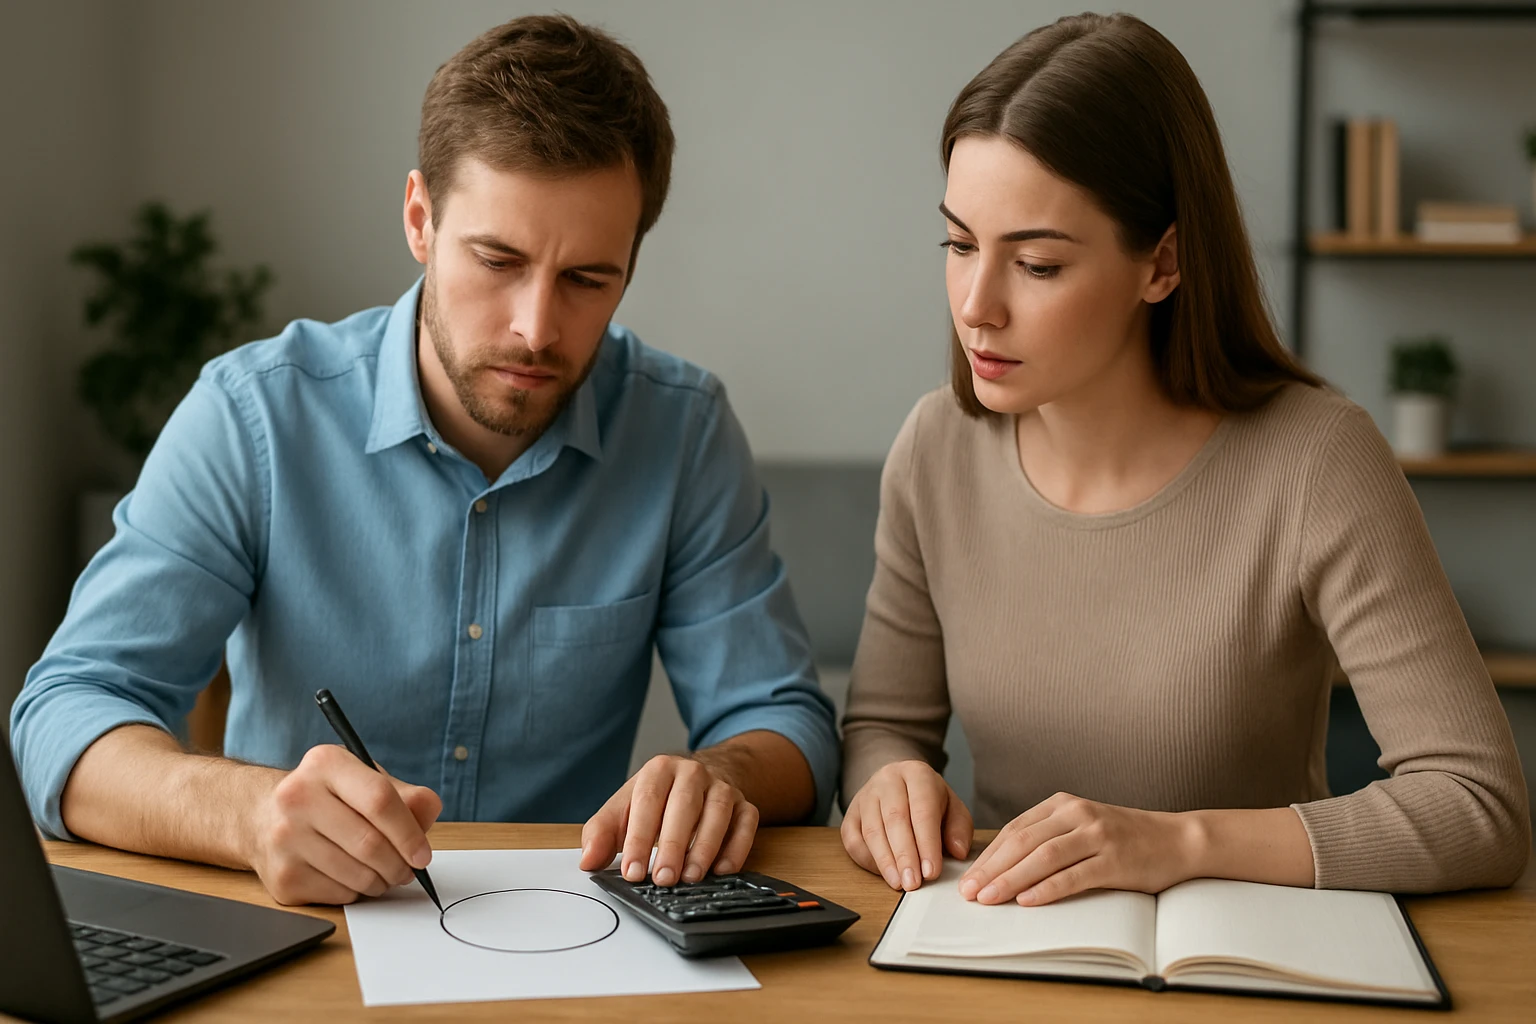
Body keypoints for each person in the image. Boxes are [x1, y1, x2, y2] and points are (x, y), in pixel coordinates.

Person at [11, 14, 838, 907]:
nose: (536, 327)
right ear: (420, 218)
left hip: (566, 937)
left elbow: (787, 724)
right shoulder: (254, 416)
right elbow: (64, 714)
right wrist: (244, 814)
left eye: (587, 280)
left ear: (630, 265)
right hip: (307, 933)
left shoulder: (682, 430)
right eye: (498, 259)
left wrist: (720, 776)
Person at [839, 12, 1529, 907]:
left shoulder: (1317, 458)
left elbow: (1479, 805)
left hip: (1248, 957)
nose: (976, 305)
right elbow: (883, 727)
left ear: (1162, 263)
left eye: (1037, 264)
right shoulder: (935, 448)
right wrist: (888, 783)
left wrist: (1179, 842)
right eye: (960, 245)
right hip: (1005, 942)